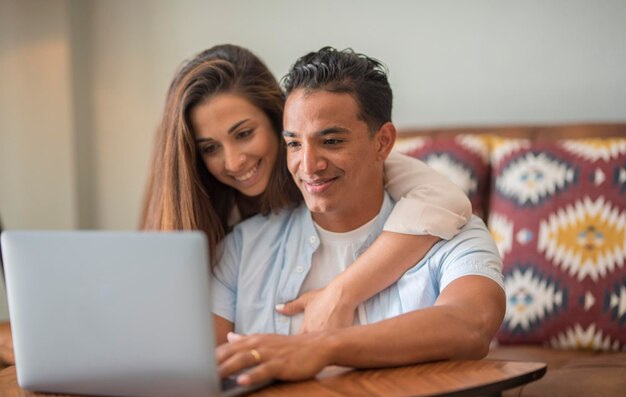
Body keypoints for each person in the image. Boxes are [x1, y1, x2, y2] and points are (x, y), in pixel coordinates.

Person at [212, 47, 505, 397]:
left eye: (332, 141)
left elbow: (471, 324)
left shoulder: (453, 235)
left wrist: (322, 347)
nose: (309, 165)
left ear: (383, 142)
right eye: (293, 143)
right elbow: (198, 370)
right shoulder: (242, 248)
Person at [141, 44, 473, 336]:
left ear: (278, 121)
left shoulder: (369, 167)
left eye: (244, 134)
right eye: (210, 148)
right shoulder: (222, 227)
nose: (233, 161)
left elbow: (446, 201)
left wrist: (340, 293)